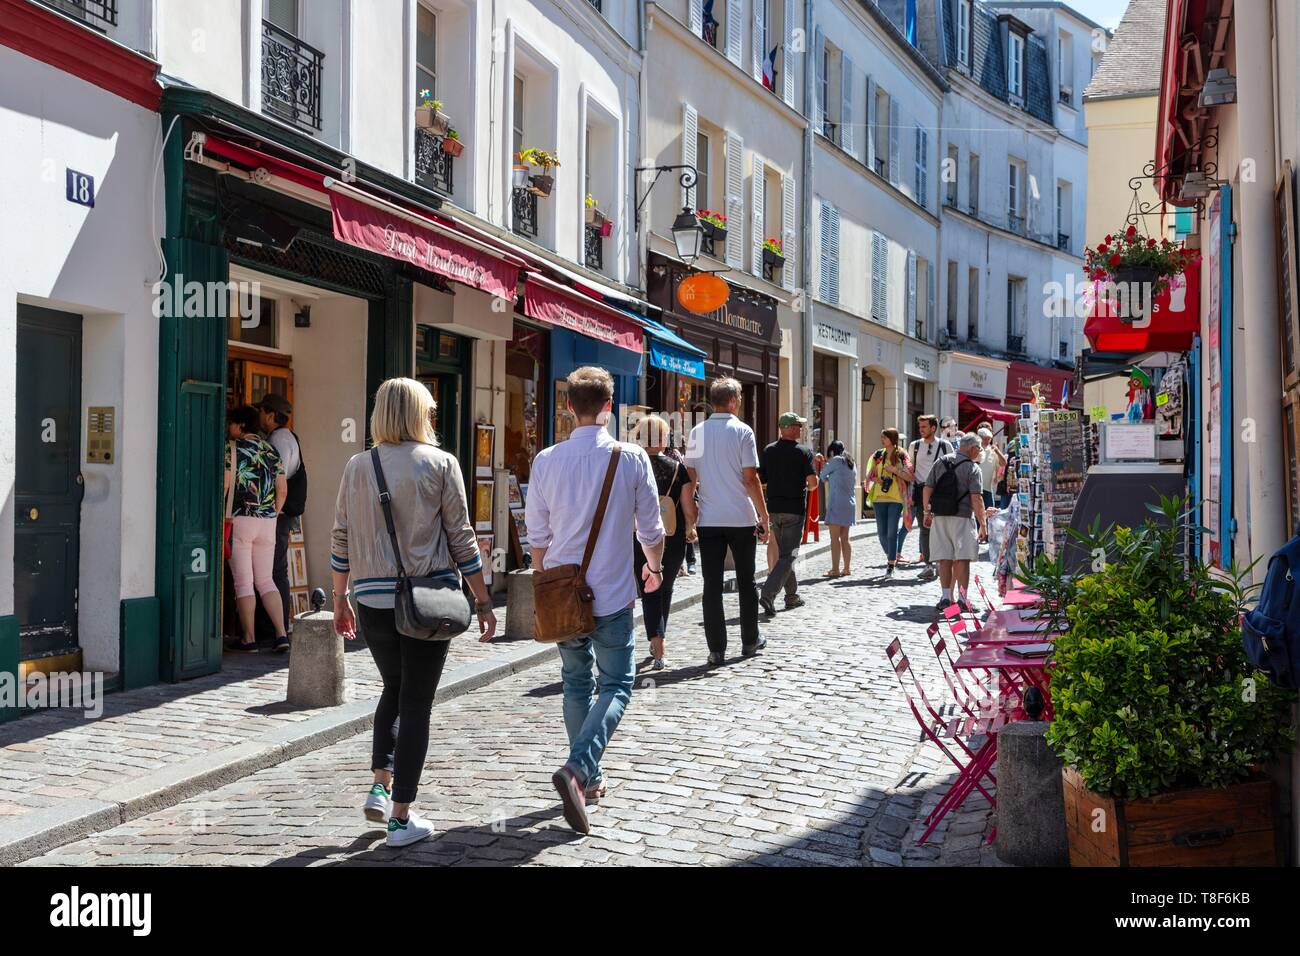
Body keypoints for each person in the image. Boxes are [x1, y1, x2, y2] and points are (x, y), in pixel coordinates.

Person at [330, 378, 496, 848]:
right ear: (421, 414)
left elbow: (340, 537)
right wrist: (482, 599)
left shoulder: (357, 466)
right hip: (426, 601)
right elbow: (462, 536)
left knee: (393, 688)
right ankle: (401, 817)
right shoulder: (441, 463)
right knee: (416, 702)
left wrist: (341, 598)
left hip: (371, 600)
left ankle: (381, 785)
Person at [527, 367, 665, 835]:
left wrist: (542, 582)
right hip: (611, 592)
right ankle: (578, 770)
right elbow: (650, 529)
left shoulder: (546, 460)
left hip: (564, 593)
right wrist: (655, 566)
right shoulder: (631, 458)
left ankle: (590, 777)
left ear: (569, 406)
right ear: (609, 407)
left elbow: (538, 538)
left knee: (574, 684)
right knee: (618, 685)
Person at [685, 377, 771, 666]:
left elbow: (690, 480)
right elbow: (750, 478)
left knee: (711, 585)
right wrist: (764, 516)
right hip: (740, 518)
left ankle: (716, 649)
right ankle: (749, 640)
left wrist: (690, 519)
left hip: (710, 519)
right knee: (747, 581)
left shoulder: (697, 432)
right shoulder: (743, 431)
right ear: (733, 400)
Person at [631, 414, 697, 671]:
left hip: (639, 535)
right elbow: (688, 507)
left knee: (649, 589)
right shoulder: (676, 468)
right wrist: (691, 527)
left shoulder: (632, 465)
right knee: (665, 588)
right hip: (672, 535)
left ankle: (656, 642)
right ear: (662, 438)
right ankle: (659, 646)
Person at [224, 405, 289, 653]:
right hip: (268, 521)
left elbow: (227, 484)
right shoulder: (270, 450)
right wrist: (273, 511)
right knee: (265, 580)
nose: (228, 428)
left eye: (231, 423)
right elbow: (282, 489)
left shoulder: (232, 449)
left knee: (244, 583)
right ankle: (281, 634)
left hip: (240, 520)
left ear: (241, 425)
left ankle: (248, 638)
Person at [758, 412, 817, 617]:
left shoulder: (768, 450)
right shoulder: (803, 452)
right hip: (794, 510)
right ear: (790, 428)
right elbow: (813, 483)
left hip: (774, 508)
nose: (800, 429)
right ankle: (768, 592)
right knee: (789, 555)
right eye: (798, 426)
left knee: (785, 554)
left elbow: (762, 481)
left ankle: (792, 597)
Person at [257, 394, 306, 639]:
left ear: (270, 414)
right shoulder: (284, 437)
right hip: (279, 514)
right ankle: (274, 627)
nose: (259, 416)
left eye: (262, 411)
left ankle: (273, 628)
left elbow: (278, 482)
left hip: (277, 515)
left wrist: (270, 515)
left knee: (274, 570)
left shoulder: (279, 440)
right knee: (275, 569)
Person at [923, 432, 988, 610]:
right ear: (973, 448)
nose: (979, 452)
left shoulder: (941, 461)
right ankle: (962, 599)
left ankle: (945, 598)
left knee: (944, 558)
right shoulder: (973, 468)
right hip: (962, 516)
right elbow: (977, 498)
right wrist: (983, 524)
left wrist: (926, 511)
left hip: (940, 515)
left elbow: (927, 487)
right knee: (962, 559)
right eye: (979, 449)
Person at [907, 415, 953, 581]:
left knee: (941, 529)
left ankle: (942, 563)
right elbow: (911, 471)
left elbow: (952, 468)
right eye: (920, 427)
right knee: (925, 529)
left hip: (940, 492)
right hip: (920, 492)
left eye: (924, 427)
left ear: (933, 428)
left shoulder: (945, 445)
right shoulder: (915, 446)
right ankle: (928, 565)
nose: (921, 429)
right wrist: (910, 494)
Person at [863, 428, 911, 577]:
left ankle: (890, 563)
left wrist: (894, 471)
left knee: (891, 532)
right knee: (881, 533)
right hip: (879, 497)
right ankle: (892, 555)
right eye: (881, 437)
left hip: (895, 498)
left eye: (884, 437)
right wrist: (875, 478)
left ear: (892, 438)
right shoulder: (878, 455)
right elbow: (870, 474)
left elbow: (910, 476)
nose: (882, 439)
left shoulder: (902, 455)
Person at [820, 440, 857, 577]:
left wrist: (827, 470)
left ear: (831, 451)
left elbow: (823, 476)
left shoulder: (835, 460)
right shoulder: (851, 462)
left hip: (837, 503)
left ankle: (835, 569)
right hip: (850, 503)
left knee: (834, 538)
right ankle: (847, 568)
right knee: (845, 538)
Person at [976, 427, 1007, 510]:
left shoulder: (992, 451)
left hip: (987, 489)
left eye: (989, 439)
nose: (987, 441)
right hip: (974, 489)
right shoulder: (974, 449)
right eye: (985, 439)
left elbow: (1003, 463)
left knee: (990, 516)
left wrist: (997, 451)